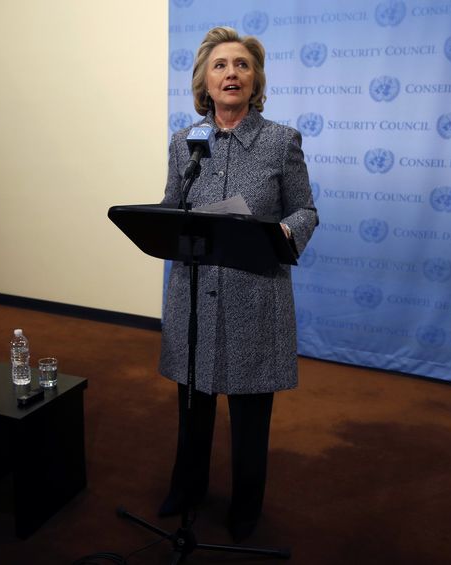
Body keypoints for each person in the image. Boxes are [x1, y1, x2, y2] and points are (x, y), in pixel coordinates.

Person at [158, 26, 318, 543]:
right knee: (192, 404)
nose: (232, 73)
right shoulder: (185, 142)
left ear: (256, 80)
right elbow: (170, 207)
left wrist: (282, 235)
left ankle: (246, 508)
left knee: (250, 413)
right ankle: (187, 489)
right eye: (222, 65)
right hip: (195, 293)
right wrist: (162, 221)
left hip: (255, 293)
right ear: (205, 81)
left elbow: (305, 210)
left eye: (243, 65)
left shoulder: (281, 141)